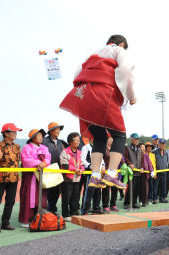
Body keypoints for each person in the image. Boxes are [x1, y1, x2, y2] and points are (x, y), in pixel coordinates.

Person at [60, 34, 134, 192]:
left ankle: (94, 175)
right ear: (121, 44)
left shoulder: (92, 54)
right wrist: (130, 95)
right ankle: (112, 174)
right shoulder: (119, 51)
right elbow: (126, 71)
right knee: (120, 135)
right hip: (103, 95)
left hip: (84, 96)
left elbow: (76, 74)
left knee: (100, 137)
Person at [0, 123, 22, 233]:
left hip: (14, 178)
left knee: (11, 201)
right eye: (13, 131)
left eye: (16, 131)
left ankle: (5, 223)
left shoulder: (17, 146)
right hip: (0, 178)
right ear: (6, 133)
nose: (15, 133)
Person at [19, 129, 51, 228]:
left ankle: (40, 217)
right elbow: (26, 160)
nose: (41, 137)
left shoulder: (44, 147)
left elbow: (48, 158)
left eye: (42, 135)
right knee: (28, 196)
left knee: (41, 196)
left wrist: (44, 163)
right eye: (39, 135)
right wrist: (39, 163)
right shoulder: (26, 148)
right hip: (30, 176)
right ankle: (26, 220)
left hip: (41, 176)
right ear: (33, 137)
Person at [60, 132, 85, 221]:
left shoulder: (79, 152)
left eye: (79, 140)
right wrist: (75, 169)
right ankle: (65, 215)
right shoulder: (65, 152)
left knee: (75, 197)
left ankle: (73, 212)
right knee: (66, 197)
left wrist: (81, 170)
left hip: (77, 178)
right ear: (71, 141)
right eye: (77, 140)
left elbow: (82, 164)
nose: (79, 142)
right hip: (67, 179)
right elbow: (64, 165)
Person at [42, 122, 65, 214]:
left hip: (58, 169)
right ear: (51, 131)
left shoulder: (60, 142)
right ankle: (49, 207)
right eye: (57, 129)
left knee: (57, 190)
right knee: (48, 189)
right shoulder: (45, 141)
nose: (58, 131)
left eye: (59, 129)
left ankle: (52, 206)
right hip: (48, 168)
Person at [101, 135, 120, 213]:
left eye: (112, 138)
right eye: (110, 139)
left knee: (115, 188)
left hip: (114, 171)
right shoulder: (103, 149)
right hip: (106, 171)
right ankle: (105, 206)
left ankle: (113, 204)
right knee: (106, 189)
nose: (111, 140)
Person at [124, 133, 142, 209]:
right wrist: (129, 164)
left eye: (138, 139)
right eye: (135, 139)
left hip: (138, 172)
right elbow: (125, 157)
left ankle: (134, 202)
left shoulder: (139, 149)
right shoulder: (127, 148)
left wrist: (142, 167)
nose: (137, 140)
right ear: (132, 139)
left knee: (137, 189)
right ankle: (126, 203)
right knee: (130, 188)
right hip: (131, 172)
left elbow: (141, 160)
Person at [152, 138, 169, 204]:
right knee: (155, 186)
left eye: (163, 144)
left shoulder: (166, 153)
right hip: (157, 172)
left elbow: (166, 161)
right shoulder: (154, 152)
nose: (162, 145)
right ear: (158, 144)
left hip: (164, 172)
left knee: (163, 185)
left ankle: (162, 198)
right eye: (161, 144)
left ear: (165, 145)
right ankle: (155, 199)